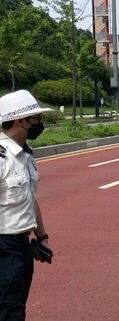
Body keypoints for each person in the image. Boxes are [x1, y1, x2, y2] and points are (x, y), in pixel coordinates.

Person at [0, 90, 53, 320]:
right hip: (3, 246)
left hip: (21, 246)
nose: (39, 123)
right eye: (36, 118)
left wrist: (41, 237)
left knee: (17, 304)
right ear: (20, 121)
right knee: (9, 311)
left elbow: (31, 199)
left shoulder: (26, 155)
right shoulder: (2, 158)